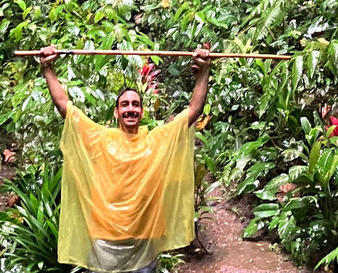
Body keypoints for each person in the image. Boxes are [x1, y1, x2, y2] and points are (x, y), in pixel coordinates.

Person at [37, 44, 212, 273]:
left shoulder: (155, 140)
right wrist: (48, 68)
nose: (131, 109)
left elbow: (193, 111)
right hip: (104, 243)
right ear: (116, 112)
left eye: (136, 104)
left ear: (142, 112)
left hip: (143, 242)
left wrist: (205, 71)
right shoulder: (100, 139)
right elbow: (64, 106)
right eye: (125, 104)